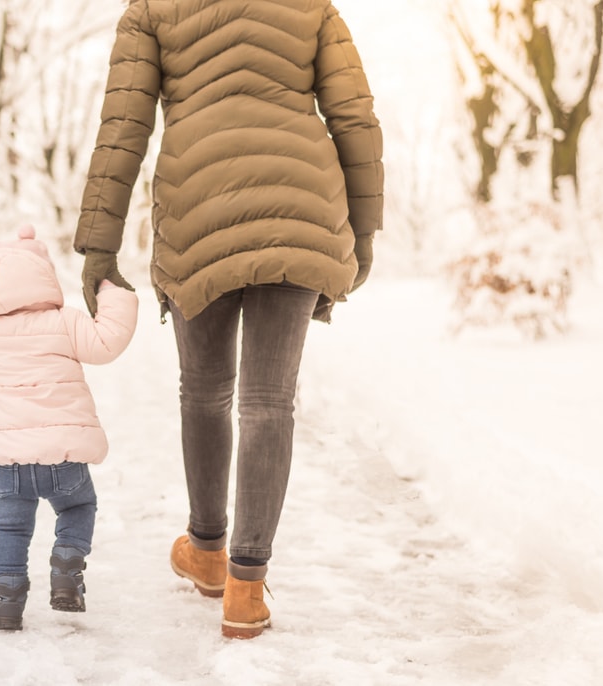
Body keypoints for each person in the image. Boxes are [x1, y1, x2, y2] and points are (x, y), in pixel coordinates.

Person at [74, 0, 383, 638]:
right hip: (301, 206)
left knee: (204, 389)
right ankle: (246, 588)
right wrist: (363, 230)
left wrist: (99, 247)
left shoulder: (151, 9)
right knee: (269, 402)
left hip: (197, 209)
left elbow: (124, 126)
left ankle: (208, 551)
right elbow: (353, 115)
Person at [0, 226, 138, 631]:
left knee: (9, 527)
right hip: (63, 458)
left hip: (6, 465)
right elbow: (108, 340)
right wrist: (112, 290)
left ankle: (6, 601)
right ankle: (67, 565)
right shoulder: (64, 322)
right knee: (78, 506)